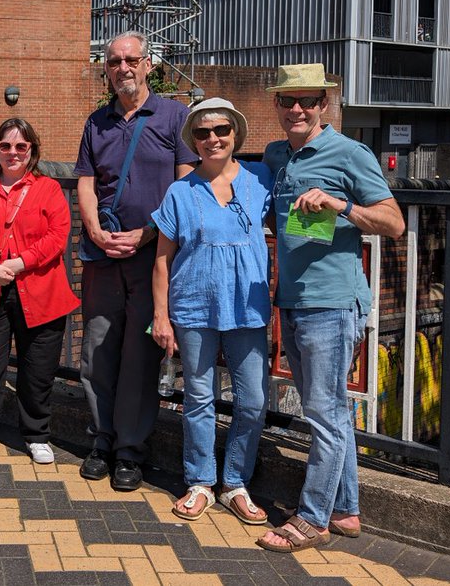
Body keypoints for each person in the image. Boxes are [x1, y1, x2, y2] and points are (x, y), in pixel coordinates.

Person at [256, 64, 405, 552]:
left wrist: (342, 207)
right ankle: (345, 510)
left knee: (323, 413)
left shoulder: (351, 153)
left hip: (333, 302)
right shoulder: (279, 155)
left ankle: (313, 517)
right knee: (332, 413)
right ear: (277, 106)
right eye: (287, 101)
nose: (297, 109)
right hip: (293, 300)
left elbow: (394, 223)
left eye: (308, 100)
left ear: (325, 104)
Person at [75, 31, 198, 491]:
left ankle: (130, 450)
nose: (122, 68)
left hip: (153, 260)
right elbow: (85, 182)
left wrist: (147, 233)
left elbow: (185, 186)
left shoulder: (174, 116)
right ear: (105, 69)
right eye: (113, 62)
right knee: (98, 352)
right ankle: (101, 439)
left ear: (149, 64)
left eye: (131, 60)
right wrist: (94, 230)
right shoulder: (97, 122)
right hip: (104, 256)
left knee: (139, 358)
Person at [149, 98, 271, 523]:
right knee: (199, 398)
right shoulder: (179, 191)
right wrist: (161, 317)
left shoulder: (260, 180)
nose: (213, 139)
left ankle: (235, 482)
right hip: (195, 306)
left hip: (248, 307)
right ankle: (200, 480)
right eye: (202, 133)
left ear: (235, 134)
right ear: (193, 141)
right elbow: (162, 259)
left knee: (253, 400)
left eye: (221, 130)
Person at [0, 118, 78, 465]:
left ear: (32, 151)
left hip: (39, 290)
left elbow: (57, 235)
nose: (13, 153)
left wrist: (19, 263)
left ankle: (37, 434)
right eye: (5, 146)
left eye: (21, 146)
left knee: (37, 368)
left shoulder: (48, 189)